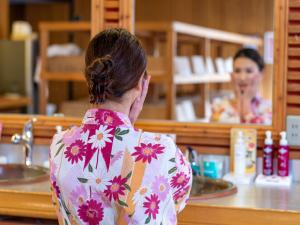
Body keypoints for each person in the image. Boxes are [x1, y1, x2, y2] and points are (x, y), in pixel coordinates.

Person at [50, 28, 192, 225]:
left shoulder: (59, 146)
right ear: (140, 85)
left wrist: (125, 128)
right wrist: (128, 129)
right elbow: (177, 199)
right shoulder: (162, 151)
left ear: (90, 79)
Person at [211, 48, 272, 124]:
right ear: (231, 75)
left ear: (261, 74)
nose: (242, 77)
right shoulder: (218, 105)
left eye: (249, 71)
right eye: (237, 71)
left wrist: (246, 101)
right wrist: (240, 100)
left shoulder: (270, 108)